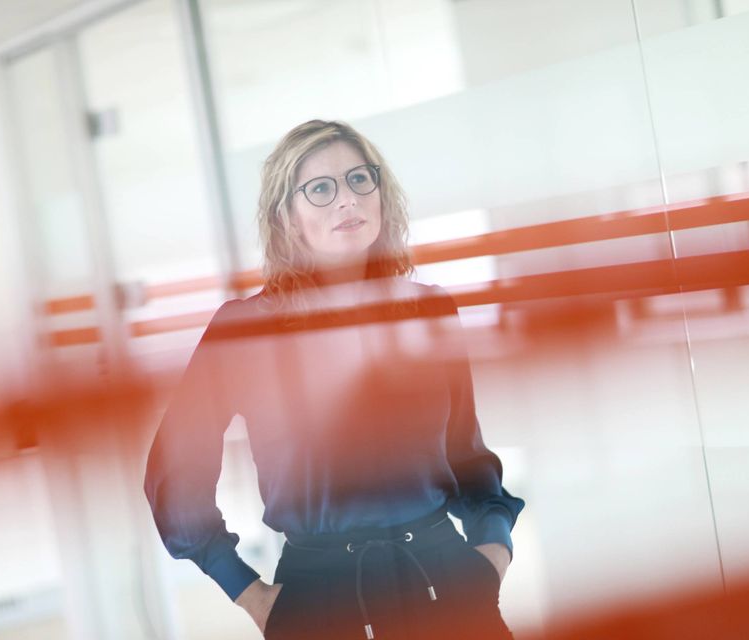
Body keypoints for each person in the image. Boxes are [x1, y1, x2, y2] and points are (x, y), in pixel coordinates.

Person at [144, 120, 524, 639]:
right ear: (287, 217)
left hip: (448, 583)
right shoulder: (245, 329)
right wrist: (248, 592)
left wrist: (492, 553)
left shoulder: (430, 310)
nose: (347, 199)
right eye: (321, 189)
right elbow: (176, 469)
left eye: (359, 179)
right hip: (319, 601)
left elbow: (466, 452)